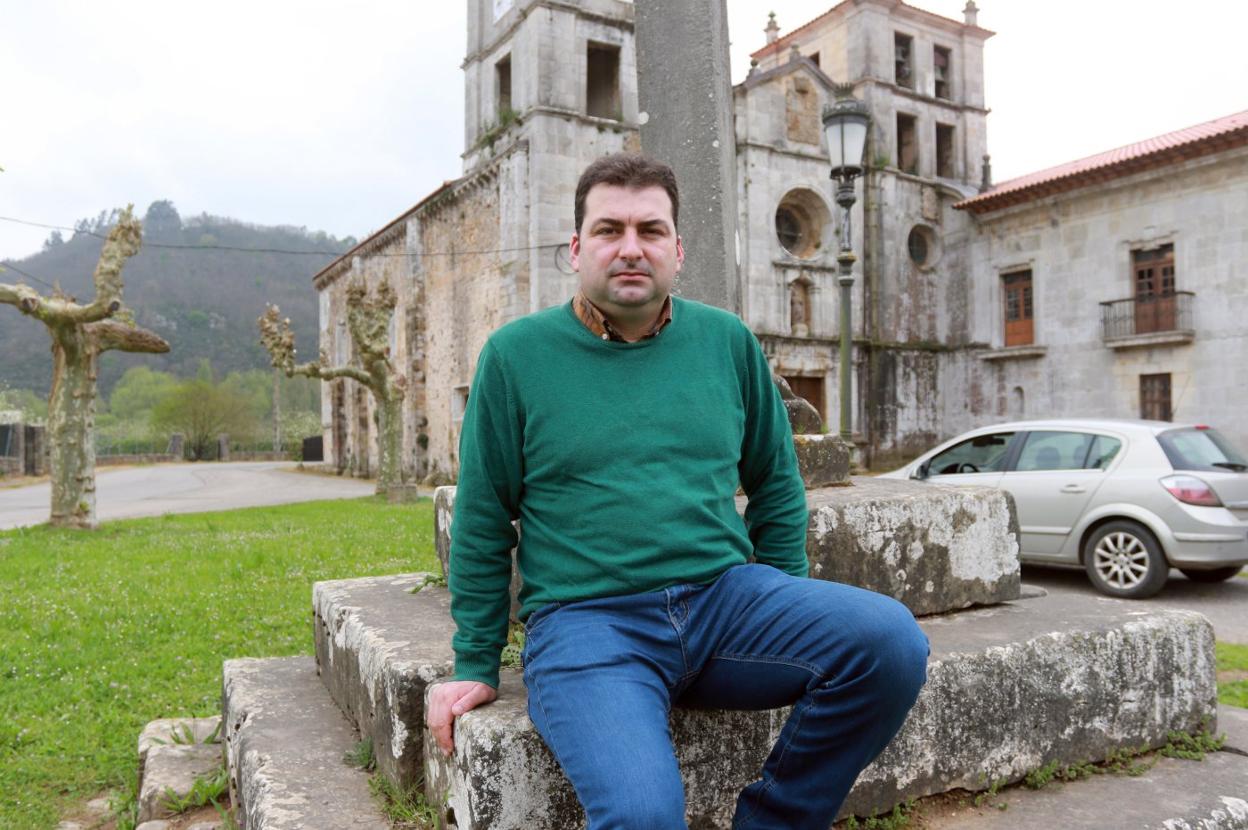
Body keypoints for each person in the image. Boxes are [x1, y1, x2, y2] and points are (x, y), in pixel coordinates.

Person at [426, 153, 928, 829]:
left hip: (726, 605)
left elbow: (775, 481)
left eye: (651, 230)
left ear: (677, 250)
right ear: (575, 249)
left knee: (891, 644)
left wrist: (783, 596)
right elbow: (484, 518)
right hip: (589, 627)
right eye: (609, 230)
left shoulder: (727, 342)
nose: (631, 248)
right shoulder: (516, 356)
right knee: (642, 815)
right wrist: (474, 660)